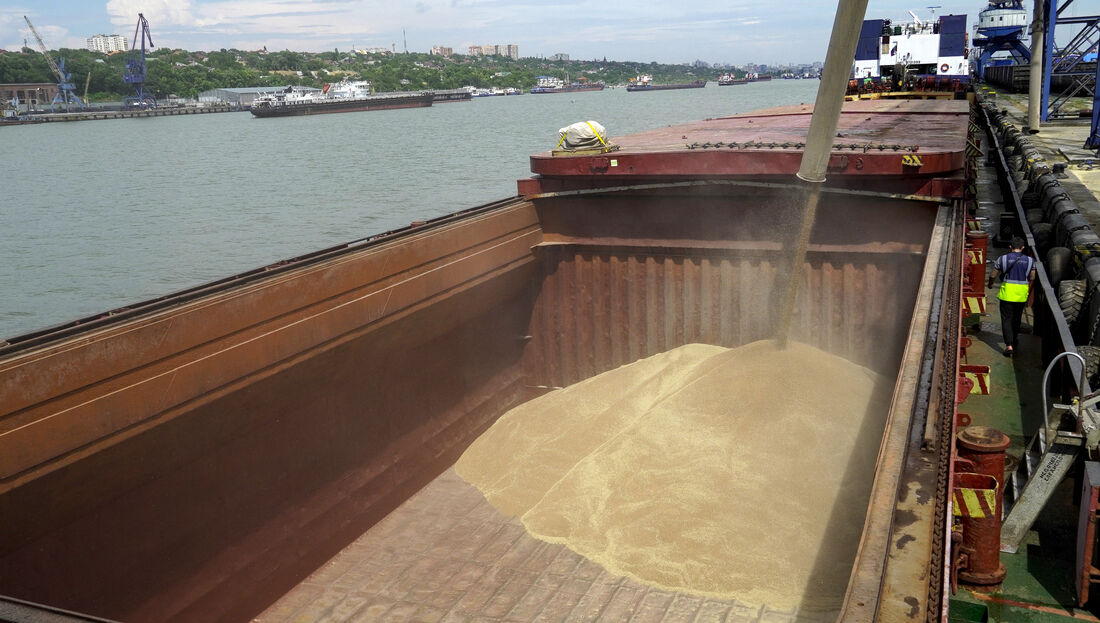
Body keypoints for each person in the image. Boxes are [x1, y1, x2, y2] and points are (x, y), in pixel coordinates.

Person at [986, 237, 1037, 356]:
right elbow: (1032, 277)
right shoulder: (1030, 261)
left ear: (1010, 247)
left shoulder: (1002, 259)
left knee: (1006, 319)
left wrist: (990, 284)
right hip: (1021, 295)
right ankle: (1014, 340)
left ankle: (1009, 345)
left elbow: (993, 274)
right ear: (1023, 247)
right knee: (1016, 318)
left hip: (1007, 294)